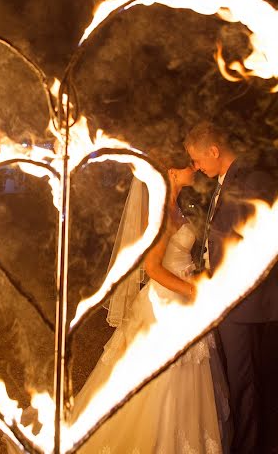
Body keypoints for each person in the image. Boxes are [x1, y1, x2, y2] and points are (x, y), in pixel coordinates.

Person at [69, 149, 228, 454]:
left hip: (181, 298)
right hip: (166, 303)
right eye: (188, 166)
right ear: (171, 172)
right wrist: (193, 290)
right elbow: (153, 269)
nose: (194, 169)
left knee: (188, 375)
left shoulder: (176, 207)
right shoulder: (158, 212)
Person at [185, 121, 278, 454]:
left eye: (198, 160)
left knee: (245, 382)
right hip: (226, 297)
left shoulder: (254, 180)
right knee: (238, 380)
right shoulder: (223, 181)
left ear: (214, 151)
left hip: (244, 301)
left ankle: (250, 447)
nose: (196, 167)